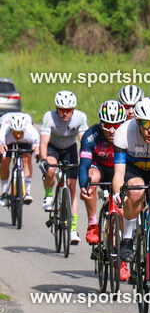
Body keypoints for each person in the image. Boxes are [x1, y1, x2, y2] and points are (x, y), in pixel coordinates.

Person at [111, 98, 150, 293]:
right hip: (134, 170)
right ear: (138, 122)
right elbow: (119, 173)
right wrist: (118, 193)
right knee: (135, 191)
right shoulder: (123, 133)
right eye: (146, 124)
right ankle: (128, 236)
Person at [39, 90, 89, 243]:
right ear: (56, 108)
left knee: (72, 186)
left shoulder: (80, 117)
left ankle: (73, 230)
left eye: (68, 110)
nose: (65, 113)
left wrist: (88, 159)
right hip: (53, 148)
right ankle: (48, 195)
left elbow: (84, 140)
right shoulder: (50, 117)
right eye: (61, 110)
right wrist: (43, 159)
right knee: (51, 169)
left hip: (70, 149)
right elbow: (44, 141)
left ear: (73, 109)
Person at [78, 100, 126, 245]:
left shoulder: (127, 135)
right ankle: (92, 224)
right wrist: (84, 187)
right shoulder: (90, 136)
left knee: (123, 210)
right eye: (108, 126)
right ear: (100, 123)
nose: (112, 131)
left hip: (119, 170)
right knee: (91, 180)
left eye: (116, 126)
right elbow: (84, 166)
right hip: (99, 167)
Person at [0, 113, 39, 205]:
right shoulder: (4, 132)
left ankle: (27, 192)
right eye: (15, 133)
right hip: (7, 137)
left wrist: (37, 151)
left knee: (27, 158)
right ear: (11, 130)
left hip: (25, 138)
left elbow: (38, 146)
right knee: (5, 160)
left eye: (20, 133)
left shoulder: (31, 132)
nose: (18, 136)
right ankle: (4, 192)